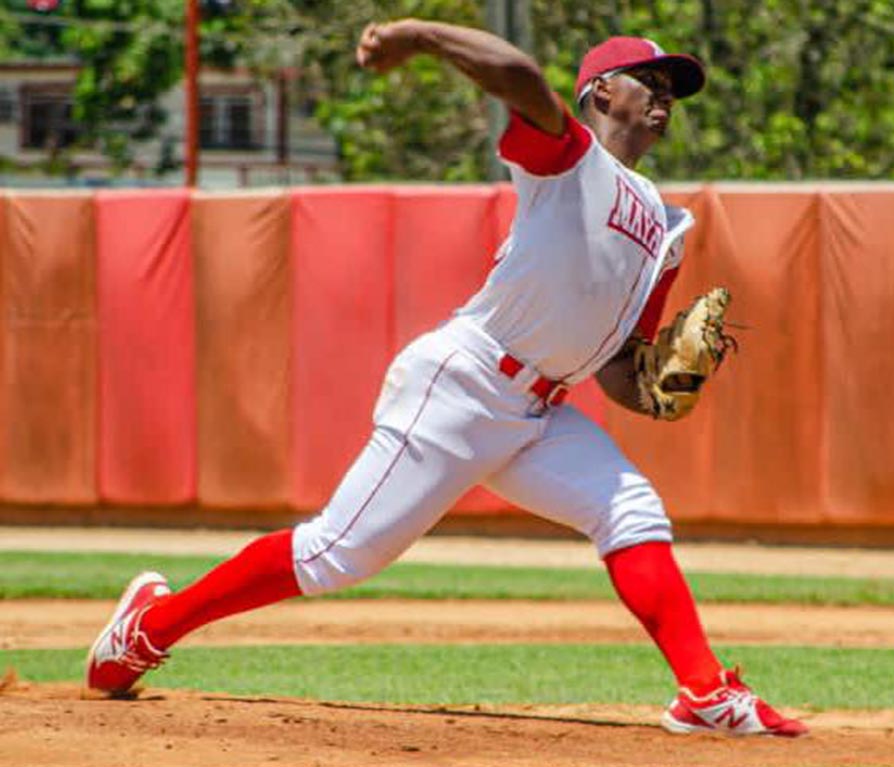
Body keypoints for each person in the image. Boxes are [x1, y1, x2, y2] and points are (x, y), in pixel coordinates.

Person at [85, 18, 807, 738]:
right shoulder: (571, 159)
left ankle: (705, 692)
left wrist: (657, 391)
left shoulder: (669, 226)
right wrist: (419, 36)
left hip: (541, 411)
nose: (664, 96)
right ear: (599, 92)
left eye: (672, 88)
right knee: (334, 554)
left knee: (633, 512)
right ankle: (147, 628)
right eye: (648, 81)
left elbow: (623, 366)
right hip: (463, 382)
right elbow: (520, 76)